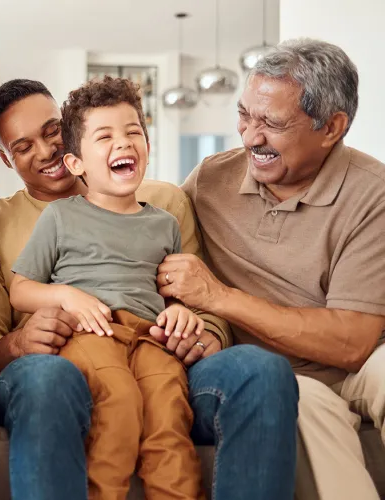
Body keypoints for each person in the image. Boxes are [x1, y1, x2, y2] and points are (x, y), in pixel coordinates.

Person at [0, 78, 298, 500]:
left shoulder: (163, 209)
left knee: (242, 377)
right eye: (24, 146)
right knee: (90, 389)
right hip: (69, 353)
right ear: (5, 158)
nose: (46, 152)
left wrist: (199, 330)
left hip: (152, 343)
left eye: (52, 132)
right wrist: (20, 341)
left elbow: (196, 298)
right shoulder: (3, 221)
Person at [159, 38, 385, 500]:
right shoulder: (210, 180)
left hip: (362, 361)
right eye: (245, 115)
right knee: (303, 403)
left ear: (332, 127)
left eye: (272, 124)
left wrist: (219, 296)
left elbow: (353, 342)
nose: (250, 137)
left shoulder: (373, 193)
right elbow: (143, 230)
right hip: (276, 372)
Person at [9, 76, 203, 500]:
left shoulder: (165, 223)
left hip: (151, 339)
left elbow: (174, 294)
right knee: (119, 401)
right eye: (105, 136)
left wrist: (180, 312)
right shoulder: (60, 217)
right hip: (91, 334)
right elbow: (20, 290)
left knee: (169, 412)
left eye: (133, 132)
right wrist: (66, 295)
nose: (123, 142)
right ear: (76, 163)